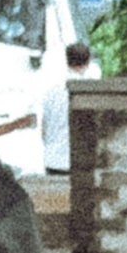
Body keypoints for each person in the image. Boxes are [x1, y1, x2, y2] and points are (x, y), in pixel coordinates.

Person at [40, 40, 94, 175]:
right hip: (81, 160)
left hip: (53, 160)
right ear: (88, 62)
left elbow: (44, 129)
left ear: (67, 59)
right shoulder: (92, 91)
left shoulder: (51, 91)